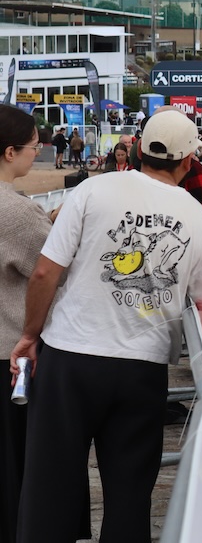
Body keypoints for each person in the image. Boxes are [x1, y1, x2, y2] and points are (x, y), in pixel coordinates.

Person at [10, 109, 202, 542]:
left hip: (70, 359)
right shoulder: (200, 222)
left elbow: (45, 273)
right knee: (130, 495)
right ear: (189, 160)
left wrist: (28, 336)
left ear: (137, 148)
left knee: (50, 490)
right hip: (142, 367)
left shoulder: (93, 190)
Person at [0, 106, 65, 543]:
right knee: (15, 473)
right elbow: (53, 270)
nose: (37, 153)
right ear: (9, 152)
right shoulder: (18, 213)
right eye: (32, 147)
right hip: (11, 357)